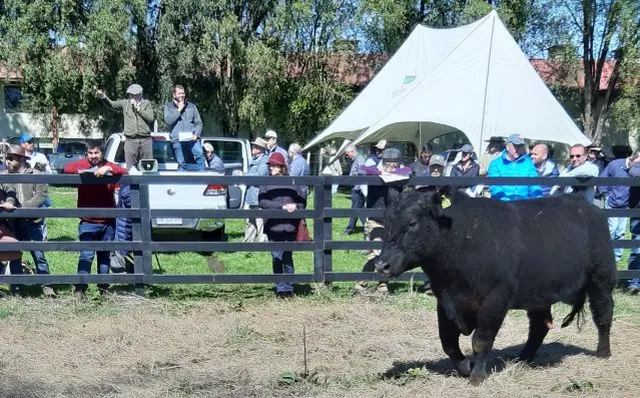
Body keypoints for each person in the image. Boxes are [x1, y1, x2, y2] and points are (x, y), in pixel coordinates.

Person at [63, 141, 128, 297]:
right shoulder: (83, 163)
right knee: (86, 254)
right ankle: (80, 289)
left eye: (96, 153)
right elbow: (67, 168)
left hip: (108, 221)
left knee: (104, 256)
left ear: (102, 153)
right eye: (90, 153)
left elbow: (125, 171)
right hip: (88, 221)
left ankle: (103, 289)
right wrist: (87, 171)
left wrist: (108, 168)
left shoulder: (109, 165)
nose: (93, 156)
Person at [355, 148, 411, 294]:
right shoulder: (375, 171)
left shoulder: (400, 174)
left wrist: (394, 173)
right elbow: (362, 169)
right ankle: (362, 282)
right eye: (387, 164)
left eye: (394, 164)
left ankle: (381, 284)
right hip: (375, 219)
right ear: (382, 162)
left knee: (387, 254)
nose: (391, 167)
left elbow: (409, 170)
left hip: (393, 222)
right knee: (376, 252)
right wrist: (381, 173)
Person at [2, 145, 54, 297]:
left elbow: (41, 195)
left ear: (21, 159)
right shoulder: (3, 175)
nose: (8, 161)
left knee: (38, 255)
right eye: (7, 158)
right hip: (12, 222)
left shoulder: (36, 173)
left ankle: (47, 286)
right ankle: (17, 287)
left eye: (11, 158)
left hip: (32, 221)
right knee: (14, 255)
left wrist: (21, 208)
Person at [258, 152, 305, 298]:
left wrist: (295, 206)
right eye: (270, 165)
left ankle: (289, 287)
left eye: (274, 165)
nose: (271, 168)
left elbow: (302, 202)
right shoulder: (266, 183)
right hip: (273, 226)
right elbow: (262, 202)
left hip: (290, 226)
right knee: (276, 257)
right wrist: (282, 207)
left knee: (288, 256)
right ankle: (280, 288)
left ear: (281, 166)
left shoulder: (293, 182)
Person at [96, 84, 154, 170]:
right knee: (130, 168)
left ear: (140, 94)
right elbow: (112, 105)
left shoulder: (146, 103)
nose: (131, 97)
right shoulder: (125, 103)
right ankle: (133, 184)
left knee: (148, 167)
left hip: (145, 140)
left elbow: (150, 118)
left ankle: (147, 183)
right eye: (130, 94)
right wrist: (103, 97)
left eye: (134, 94)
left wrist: (138, 108)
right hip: (130, 140)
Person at [597, 151, 640, 263]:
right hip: (612, 202)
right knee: (611, 230)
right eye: (638, 163)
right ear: (632, 159)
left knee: (620, 233)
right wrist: (605, 194)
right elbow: (603, 178)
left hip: (625, 205)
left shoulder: (636, 171)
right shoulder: (615, 164)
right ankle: (605, 256)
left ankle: (616, 259)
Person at [487, 134, 542, 201]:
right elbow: (495, 186)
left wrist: (538, 197)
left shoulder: (528, 163)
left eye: (521, 146)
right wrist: (506, 202)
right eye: (516, 146)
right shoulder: (495, 164)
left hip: (523, 203)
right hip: (501, 205)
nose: (519, 149)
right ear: (507, 147)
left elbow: (534, 184)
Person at [163, 85, 205, 171]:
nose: (181, 95)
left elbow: (199, 123)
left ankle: (202, 178)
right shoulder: (168, 106)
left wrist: (196, 135)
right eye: (179, 93)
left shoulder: (191, 106)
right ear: (174, 94)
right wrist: (179, 110)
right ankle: (183, 182)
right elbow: (168, 121)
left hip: (192, 139)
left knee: (200, 155)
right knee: (182, 163)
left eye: (183, 93)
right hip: (177, 140)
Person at [243, 138, 270, 243]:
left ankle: (263, 243)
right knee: (250, 220)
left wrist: (244, 176)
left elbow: (260, 175)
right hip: (251, 195)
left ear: (260, 149)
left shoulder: (264, 161)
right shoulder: (254, 159)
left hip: (259, 194)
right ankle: (248, 242)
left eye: (254, 146)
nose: (252, 148)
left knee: (260, 220)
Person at [343, 144, 366, 235]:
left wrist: (353, 176)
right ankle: (368, 226)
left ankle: (349, 229)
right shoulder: (355, 159)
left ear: (352, 152)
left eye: (347, 154)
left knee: (355, 209)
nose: (347, 156)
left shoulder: (359, 159)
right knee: (359, 209)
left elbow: (363, 171)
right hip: (356, 187)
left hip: (358, 188)